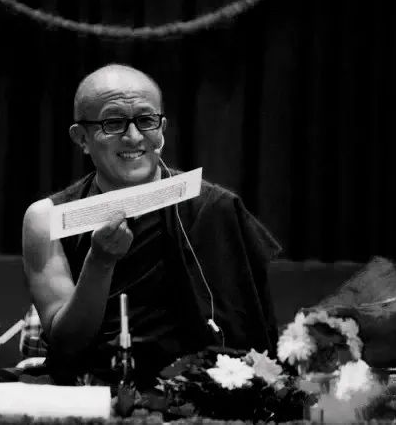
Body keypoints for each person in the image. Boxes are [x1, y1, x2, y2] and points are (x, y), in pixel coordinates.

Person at [21, 64, 281, 388]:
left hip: (193, 392)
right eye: (113, 123)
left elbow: (251, 331)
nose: (133, 137)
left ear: (162, 128)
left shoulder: (213, 208)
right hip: (88, 390)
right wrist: (100, 262)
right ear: (82, 138)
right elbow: (67, 342)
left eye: (146, 120)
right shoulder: (50, 218)